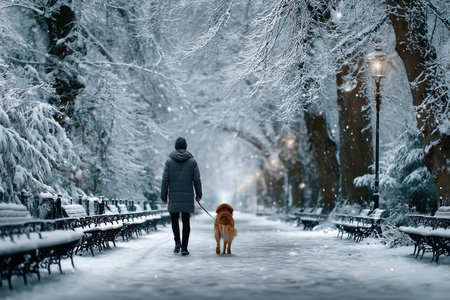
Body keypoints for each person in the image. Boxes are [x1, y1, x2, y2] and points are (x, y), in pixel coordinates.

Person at [161, 137, 202, 256]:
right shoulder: (192, 162)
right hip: (187, 196)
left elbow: (165, 180)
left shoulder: (169, 161)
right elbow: (197, 180)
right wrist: (199, 194)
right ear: (185, 147)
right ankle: (184, 247)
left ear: (175, 147)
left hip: (173, 196)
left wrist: (163, 196)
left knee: (174, 220)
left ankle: (177, 243)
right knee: (186, 221)